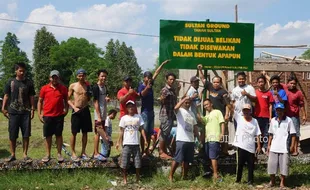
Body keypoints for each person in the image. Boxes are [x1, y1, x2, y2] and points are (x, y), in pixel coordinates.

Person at [1, 62, 35, 162]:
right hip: (13, 112)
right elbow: (6, 95)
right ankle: (12, 154)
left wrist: (33, 109)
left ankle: (25, 154)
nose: (22, 72)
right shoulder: (10, 82)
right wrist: (3, 108)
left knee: (26, 134)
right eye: (20, 70)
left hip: (25, 112)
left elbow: (31, 96)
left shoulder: (29, 82)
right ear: (16, 71)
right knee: (12, 134)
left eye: (23, 71)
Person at [138, 59, 170, 156]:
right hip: (145, 112)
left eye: (150, 77)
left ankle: (147, 151)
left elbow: (156, 72)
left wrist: (162, 64)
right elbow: (142, 95)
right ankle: (143, 150)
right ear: (144, 78)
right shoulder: (142, 86)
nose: (149, 79)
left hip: (151, 112)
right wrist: (147, 87)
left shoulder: (150, 84)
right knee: (144, 132)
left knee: (149, 133)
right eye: (147, 77)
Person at [198, 64, 230, 155]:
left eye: (218, 82)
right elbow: (202, 79)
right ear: (212, 82)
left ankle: (225, 150)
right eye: (214, 82)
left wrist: (227, 114)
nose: (216, 83)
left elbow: (227, 104)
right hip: (211, 115)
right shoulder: (210, 87)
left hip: (221, 115)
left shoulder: (223, 92)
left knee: (224, 133)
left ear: (220, 83)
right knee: (212, 132)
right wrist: (200, 70)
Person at [37, 70, 68, 163]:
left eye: (56, 77)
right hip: (47, 116)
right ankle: (48, 154)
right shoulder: (44, 88)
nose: (54, 79)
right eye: (52, 77)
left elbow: (66, 101)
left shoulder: (63, 88)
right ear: (50, 78)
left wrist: (66, 110)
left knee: (59, 135)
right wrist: (39, 114)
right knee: (48, 136)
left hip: (59, 116)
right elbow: (40, 101)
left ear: (58, 78)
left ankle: (59, 154)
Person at [116, 100, 147, 184]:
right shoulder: (124, 118)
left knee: (138, 162)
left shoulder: (138, 117)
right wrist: (118, 142)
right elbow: (121, 131)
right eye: (129, 106)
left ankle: (137, 178)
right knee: (124, 162)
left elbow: (142, 129)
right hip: (127, 143)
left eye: (132, 106)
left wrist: (145, 139)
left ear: (134, 107)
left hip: (136, 143)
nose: (131, 108)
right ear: (126, 108)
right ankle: (125, 179)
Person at [168, 97, 199, 182]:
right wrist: (184, 99)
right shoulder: (180, 111)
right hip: (181, 139)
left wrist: (198, 138)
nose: (187, 104)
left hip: (190, 140)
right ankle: (170, 176)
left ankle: (184, 176)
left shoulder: (191, 113)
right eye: (186, 103)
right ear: (182, 103)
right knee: (177, 159)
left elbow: (195, 126)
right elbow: (175, 108)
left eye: (189, 103)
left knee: (187, 160)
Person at [267, 103, 296, 188]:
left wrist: (292, 146)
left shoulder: (289, 120)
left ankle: (282, 183)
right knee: (271, 166)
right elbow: (271, 134)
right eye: (278, 110)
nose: (279, 112)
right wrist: (269, 145)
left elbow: (293, 134)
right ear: (275, 111)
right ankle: (272, 181)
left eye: (281, 110)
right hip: (274, 146)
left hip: (284, 147)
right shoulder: (273, 120)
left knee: (284, 166)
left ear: (284, 111)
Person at [68, 69, 93, 161]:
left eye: (83, 75)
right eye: (80, 75)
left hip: (85, 110)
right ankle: (73, 152)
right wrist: (74, 107)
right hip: (76, 110)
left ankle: (83, 152)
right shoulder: (73, 86)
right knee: (74, 132)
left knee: (85, 132)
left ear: (85, 76)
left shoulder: (88, 86)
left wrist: (88, 95)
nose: (81, 77)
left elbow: (90, 98)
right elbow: (67, 99)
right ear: (77, 76)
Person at [233, 104, 261, 185]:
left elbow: (258, 134)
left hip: (251, 147)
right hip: (241, 146)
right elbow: (230, 108)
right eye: (244, 110)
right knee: (240, 165)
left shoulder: (255, 121)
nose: (246, 112)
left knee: (251, 165)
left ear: (250, 111)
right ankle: (238, 181)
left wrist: (259, 145)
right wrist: (227, 99)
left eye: (247, 110)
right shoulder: (239, 118)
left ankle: (250, 182)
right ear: (242, 111)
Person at [201, 99, 225, 182]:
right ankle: (211, 173)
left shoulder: (217, 112)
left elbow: (222, 123)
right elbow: (200, 120)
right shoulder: (206, 116)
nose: (206, 106)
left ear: (211, 104)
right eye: (204, 105)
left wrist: (222, 133)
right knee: (209, 157)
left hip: (214, 138)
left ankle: (216, 174)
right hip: (207, 139)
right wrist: (196, 108)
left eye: (207, 104)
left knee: (213, 157)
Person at [283, 77, 306, 156]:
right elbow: (275, 82)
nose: (292, 85)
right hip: (285, 116)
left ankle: (295, 149)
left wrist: (303, 115)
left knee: (295, 133)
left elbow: (302, 105)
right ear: (288, 83)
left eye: (294, 84)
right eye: (291, 83)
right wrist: (265, 75)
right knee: (287, 133)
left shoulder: (298, 93)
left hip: (294, 116)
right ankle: (288, 148)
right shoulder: (285, 88)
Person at [159, 72, 180, 159]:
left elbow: (174, 101)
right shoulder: (165, 90)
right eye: (170, 79)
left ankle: (164, 151)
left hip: (171, 114)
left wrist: (178, 90)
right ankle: (161, 152)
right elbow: (162, 100)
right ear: (166, 80)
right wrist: (162, 99)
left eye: (173, 79)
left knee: (167, 133)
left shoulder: (172, 90)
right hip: (166, 115)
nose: (172, 81)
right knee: (164, 133)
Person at [92, 69, 110, 161]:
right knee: (97, 133)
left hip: (104, 113)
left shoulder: (105, 86)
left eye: (105, 76)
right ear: (98, 76)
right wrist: (98, 116)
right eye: (102, 76)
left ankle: (98, 152)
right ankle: (95, 153)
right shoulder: (96, 87)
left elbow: (106, 96)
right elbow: (95, 102)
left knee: (100, 133)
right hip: (98, 114)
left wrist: (107, 98)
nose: (104, 78)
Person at [254, 75, 274, 154]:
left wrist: (270, 116)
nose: (261, 83)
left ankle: (265, 147)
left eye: (262, 82)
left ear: (265, 83)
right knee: (258, 133)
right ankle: (257, 147)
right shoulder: (255, 92)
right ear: (257, 83)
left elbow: (270, 105)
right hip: (257, 116)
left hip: (266, 116)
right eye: (259, 82)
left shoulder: (268, 93)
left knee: (266, 132)